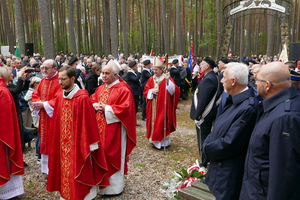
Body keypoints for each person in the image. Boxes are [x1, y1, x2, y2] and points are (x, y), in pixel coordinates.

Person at [46, 66, 109, 200]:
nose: (60, 82)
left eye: (63, 79)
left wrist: (90, 145)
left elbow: (89, 123)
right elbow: (56, 122)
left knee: (81, 169)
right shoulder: (59, 96)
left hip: (79, 144)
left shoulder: (82, 97)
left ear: (72, 78)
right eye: (59, 79)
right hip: (63, 145)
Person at [240, 62, 300, 199]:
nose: (255, 83)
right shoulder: (274, 107)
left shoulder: (284, 118)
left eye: (257, 80)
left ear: (267, 85)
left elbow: (282, 177)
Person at [203, 63, 258, 200]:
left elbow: (230, 143)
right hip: (219, 171)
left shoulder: (247, 108)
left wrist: (206, 150)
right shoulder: (234, 100)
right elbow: (217, 129)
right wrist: (207, 143)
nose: (221, 80)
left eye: (224, 77)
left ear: (233, 81)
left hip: (227, 175)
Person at [90, 60, 136, 195]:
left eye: (107, 73)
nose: (103, 76)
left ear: (116, 75)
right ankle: (100, 185)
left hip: (115, 129)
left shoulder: (123, 89)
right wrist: (95, 106)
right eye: (103, 73)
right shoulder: (100, 88)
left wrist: (107, 109)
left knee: (112, 155)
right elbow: (92, 99)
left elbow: (126, 109)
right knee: (99, 154)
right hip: (99, 128)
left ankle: (114, 188)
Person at [32, 59, 62, 174]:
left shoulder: (60, 80)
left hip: (54, 117)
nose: (44, 70)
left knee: (54, 140)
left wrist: (44, 104)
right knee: (44, 140)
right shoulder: (43, 80)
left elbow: (60, 98)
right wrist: (37, 103)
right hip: (44, 116)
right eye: (42, 67)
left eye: (46, 68)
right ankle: (47, 169)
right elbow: (35, 94)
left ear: (55, 69)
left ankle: (56, 168)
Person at [143, 57, 180, 149]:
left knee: (161, 122)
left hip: (163, 106)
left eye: (156, 70)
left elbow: (175, 91)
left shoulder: (166, 78)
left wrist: (168, 82)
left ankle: (163, 143)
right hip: (153, 106)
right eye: (153, 69)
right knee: (153, 121)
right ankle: (153, 139)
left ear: (161, 70)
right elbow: (145, 90)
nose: (154, 71)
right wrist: (151, 91)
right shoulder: (151, 79)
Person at [0, 67, 25, 199]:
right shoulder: (3, 91)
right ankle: (8, 192)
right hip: (3, 135)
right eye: (10, 73)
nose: (12, 75)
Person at [190, 57, 218, 167]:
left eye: (202, 64)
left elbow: (203, 99)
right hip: (206, 114)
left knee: (203, 139)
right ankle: (205, 159)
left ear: (207, 66)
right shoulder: (209, 77)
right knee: (204, 137)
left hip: (204, 116)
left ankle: (204, 162)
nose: (200, 66)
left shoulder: (209, 79)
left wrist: (198, 116)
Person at [25, 76, 42, 163]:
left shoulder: (33, 92)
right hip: (37, 115)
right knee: (40, 136)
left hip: (36, 115)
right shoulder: (32, 93)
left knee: (39, 136)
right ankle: (39, 155)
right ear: (35, 85)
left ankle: (37, 153)